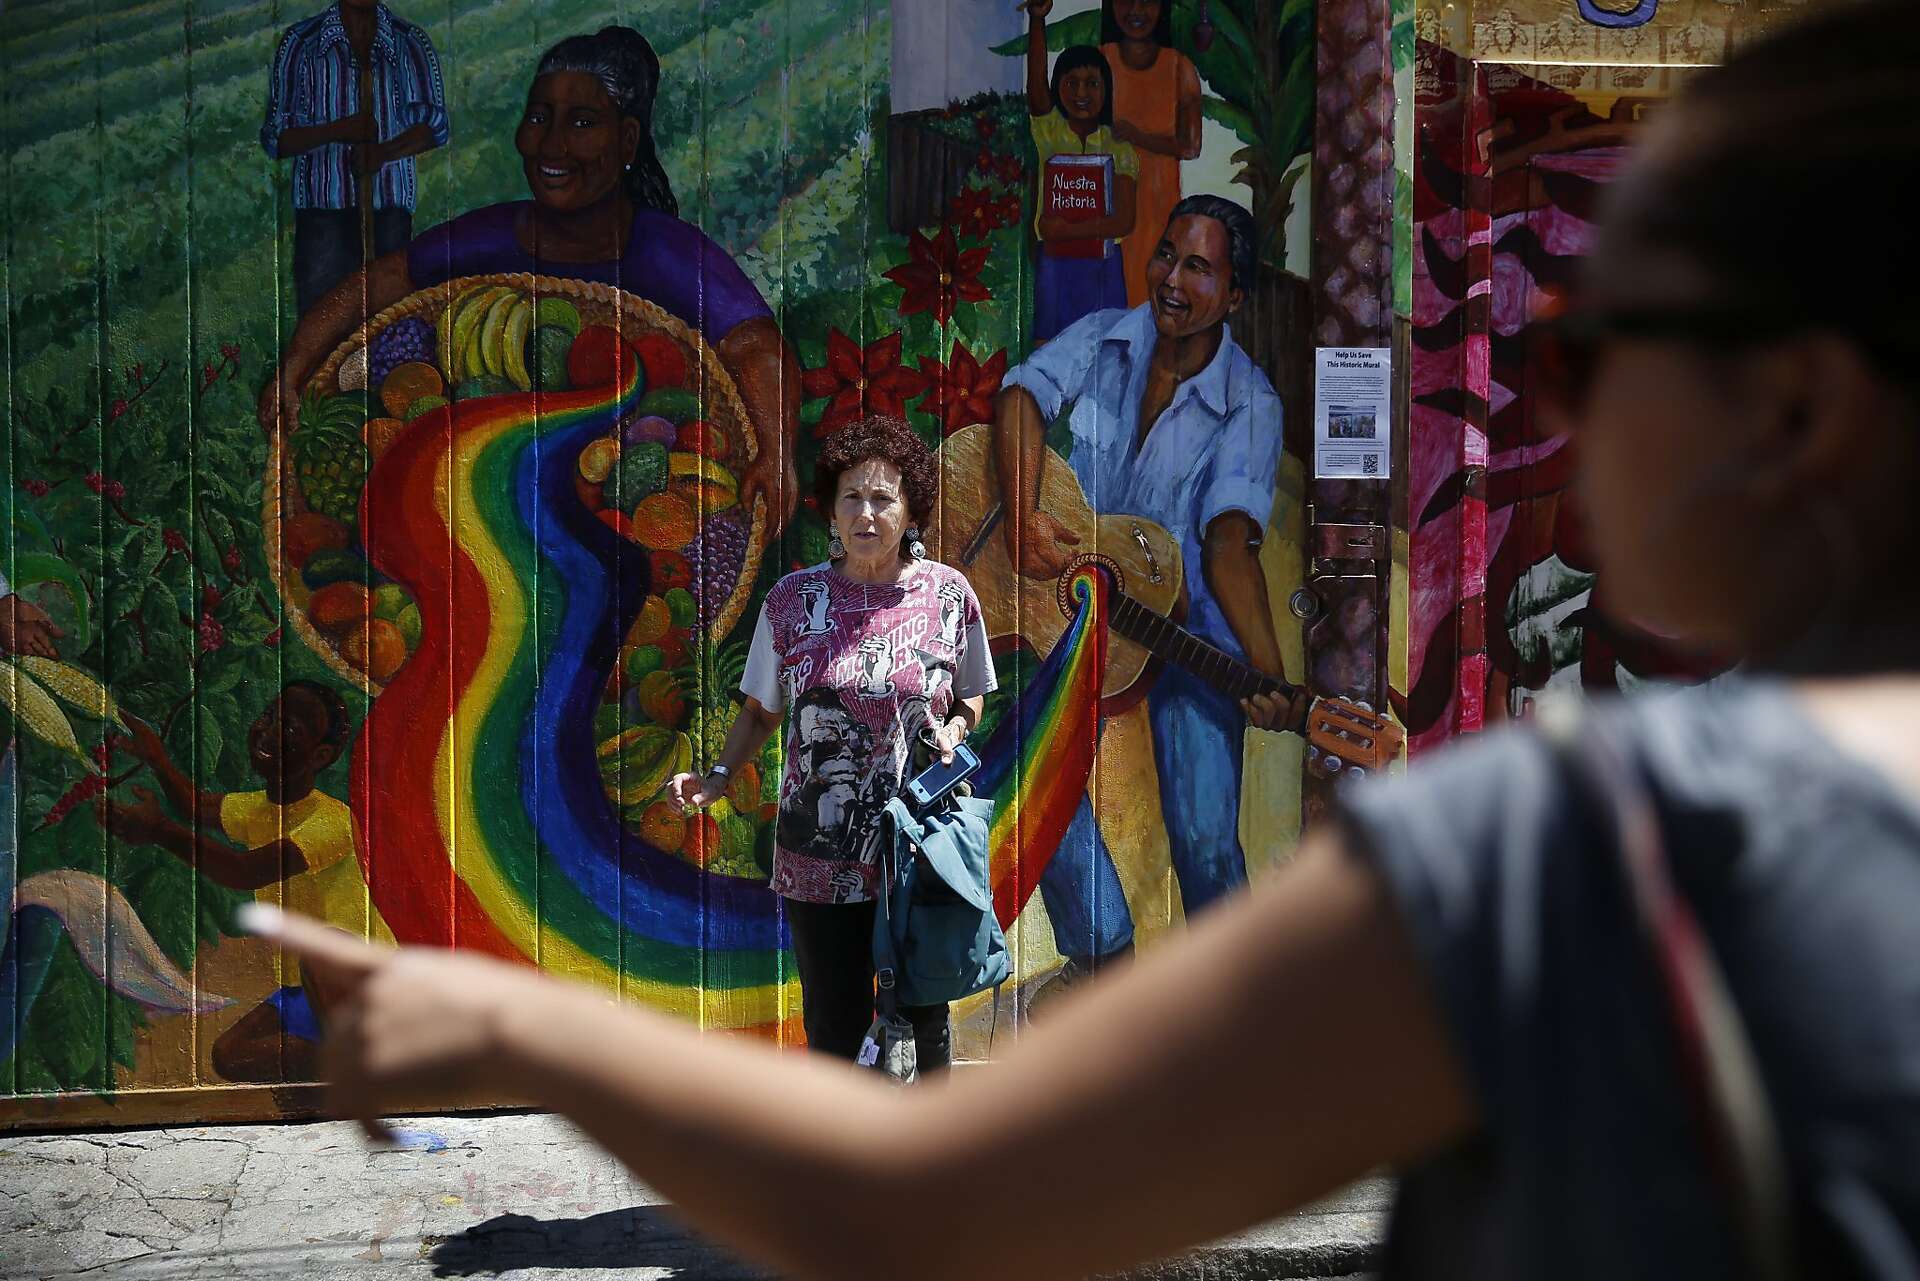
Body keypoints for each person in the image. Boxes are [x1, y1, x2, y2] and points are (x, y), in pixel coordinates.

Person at [250, 4, 1920, 1278]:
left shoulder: (1592, 847)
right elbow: (990, 473)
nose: (1539, 398)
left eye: (1592, 346)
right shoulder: (1030, 417)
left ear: (1797, 407)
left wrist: (514, 1032)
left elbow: (930, 1207)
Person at [259, 25, 800, 534]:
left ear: (628, 141)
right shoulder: (494, 235)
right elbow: (385, 279)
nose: (552, 145)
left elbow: (756, 345)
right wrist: (295, 366)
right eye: (539, 118)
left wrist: (777, 454)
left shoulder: (664, 251)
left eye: (582, 122)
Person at [993, 193, 1288, 998]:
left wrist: (1268, 673)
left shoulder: (1252, 405)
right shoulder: (1100, 340)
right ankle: (1101, 948)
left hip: (1188, 624)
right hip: (1070, 603)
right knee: (1024, 762)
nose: (1172, 279)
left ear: (1234, 295)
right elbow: (1020, 398)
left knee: (1202, 835)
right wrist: (1022, 509)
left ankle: (1236, 1007)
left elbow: (1230, 546)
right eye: (1167, 254)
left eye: (1200, 266)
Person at [666, 415, 995, 1072]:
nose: (867, 513)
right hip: (820, 859)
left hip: (917, 850)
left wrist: (954, 731)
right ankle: (843, 1163)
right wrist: (718, 776)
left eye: (884, 497)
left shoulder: (947, 595)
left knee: (924, 1023)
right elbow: (760, 711)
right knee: (835, 1029)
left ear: (911, 509)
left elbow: (971, 694)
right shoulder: (792, 601)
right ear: (831, 508)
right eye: (853, 496)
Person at [98, 682, 389, 1082]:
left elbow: (245, 871)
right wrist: (158, 759)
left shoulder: (331, 821)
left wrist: (160, 830)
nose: (266, 732)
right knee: (232, 1057)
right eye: (268, 718)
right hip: (305, 989)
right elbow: (196, 806)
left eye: (287, 729)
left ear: (321, 755)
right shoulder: (259, 809)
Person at [260, 0, 448, 316]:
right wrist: (338, 130)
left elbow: (435, 125)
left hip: (389, 211)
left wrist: (384, 152)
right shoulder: (302, 43)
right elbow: (276, 137)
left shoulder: (409, 42)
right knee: (324, 322)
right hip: (323, 217)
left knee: (389, 320)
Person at [1023, 0, 1201, 309]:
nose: (1136, 10)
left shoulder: (1178, 67)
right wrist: (1038, 20)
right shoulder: (1099, 60)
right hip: (1087, 224)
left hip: (1154, 206)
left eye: (1147, 2)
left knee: (1150, 300)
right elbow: (1041, 96)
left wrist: (1138, 137)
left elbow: (1190, 146)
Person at [1024, 41, 1138, 341]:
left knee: (1106, 352)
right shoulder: (1049, 133)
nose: (1081, 93)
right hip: (1055, 267)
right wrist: (1037, 19)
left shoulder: (1119, 146)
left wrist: (1065, 231)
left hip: (1103, 268)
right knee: (1048, 350)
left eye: (1092, 83)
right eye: (1071, 83)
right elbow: (1035, 90)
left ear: (1106, 88)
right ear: (1057, 87)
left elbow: (1124, 221)